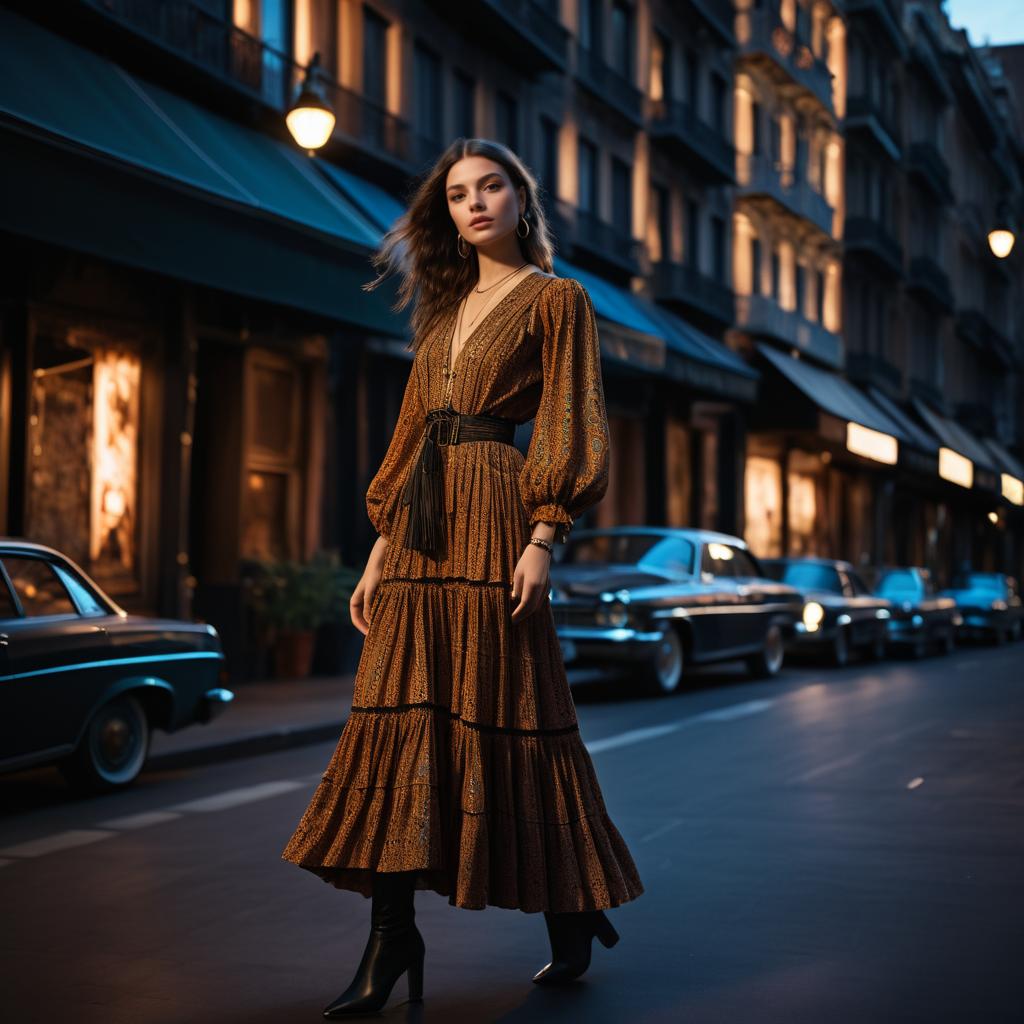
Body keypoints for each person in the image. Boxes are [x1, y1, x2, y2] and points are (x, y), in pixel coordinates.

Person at [281, 137, 644, 1017]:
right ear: (445, 213)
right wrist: (377, 551)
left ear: (522, 199)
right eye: (456, 195)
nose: (474, 204)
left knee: (510, 712)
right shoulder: (442, 316)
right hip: (418, 533)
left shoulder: (559, 300)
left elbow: (570, 421)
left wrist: (543, 538)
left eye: (491, 187)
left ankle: (571, 903)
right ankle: (392, 933)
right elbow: (409, 438)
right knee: (400, 720)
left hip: (497, 514)